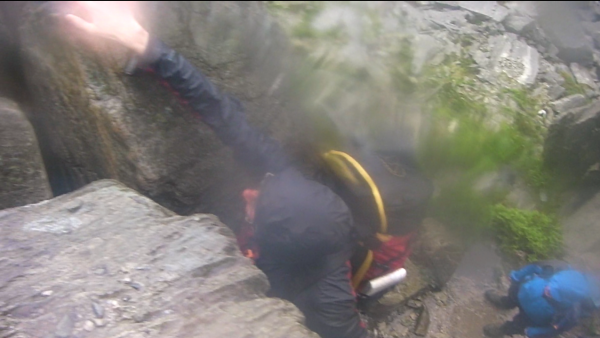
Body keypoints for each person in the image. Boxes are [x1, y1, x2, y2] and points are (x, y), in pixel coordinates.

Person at [62, 2, 433, 337]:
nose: (249, 192)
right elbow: (223, 114)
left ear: (278, 245)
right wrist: (146, 45)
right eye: (264, 188)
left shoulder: (328, 298)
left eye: (259, 207)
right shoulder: (283, 176)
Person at [483, 260, 600, 338]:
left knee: (520, 324)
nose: (548, 290)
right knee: (516, 289)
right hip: (527, 291)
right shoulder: (555, 270)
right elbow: (535, 266)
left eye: (554, 293)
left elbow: (555, 329)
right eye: (551, 286)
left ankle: (502, 330)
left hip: (538, 315)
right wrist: (516, 276)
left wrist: (532, 332)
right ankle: (506, 302)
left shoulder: (572, 312)